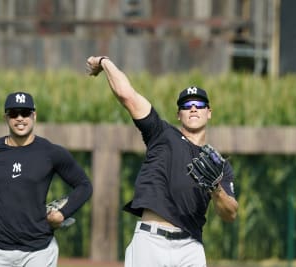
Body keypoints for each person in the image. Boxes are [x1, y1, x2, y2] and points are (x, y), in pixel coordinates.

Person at [86, 56, 238, 266]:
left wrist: (216, 189)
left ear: (208, 112)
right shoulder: (161, 134)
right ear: (178, 114)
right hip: (151, 242)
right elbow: (127, 95)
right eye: (186, 105)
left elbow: (230, 214)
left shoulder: (219, 166)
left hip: (190, 247)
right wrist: (104, 62)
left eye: (199, 104)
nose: (193, 108)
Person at [0, 92, 93, 267]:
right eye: (14, 113)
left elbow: (84, 185)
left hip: (39, 251)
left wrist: (62, 214)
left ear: (34, 115)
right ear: (6, 117)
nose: (20, 118)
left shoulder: (51, 152)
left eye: (25, 113)